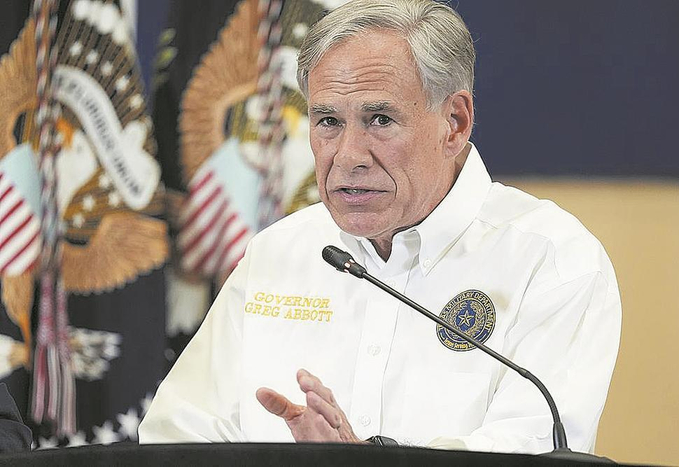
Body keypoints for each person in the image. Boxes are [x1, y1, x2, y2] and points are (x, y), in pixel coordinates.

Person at [139, 0, 621, 454]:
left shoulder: (550, 261)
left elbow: (529, 452)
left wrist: (366, 464)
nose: (348, 156)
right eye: (328, 121)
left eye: (380, 119)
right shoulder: (277, 252)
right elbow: (176, 437)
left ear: (454, 123)